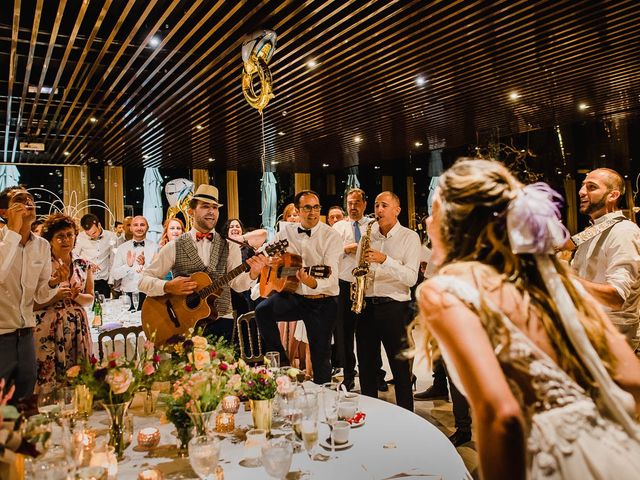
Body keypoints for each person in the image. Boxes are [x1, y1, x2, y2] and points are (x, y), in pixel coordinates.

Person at [417, 158, 640, 479]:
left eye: (434, 211)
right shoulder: (549, 279)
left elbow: (501, 415)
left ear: (456, 223)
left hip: (548, 461)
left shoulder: (446, 290)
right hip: (618, 455)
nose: (427, 221)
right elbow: (632, 380)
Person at [139, 185, 266, 343]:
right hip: (182, 325)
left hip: (222, 321)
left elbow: (237, 285)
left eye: (215, 207)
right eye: (205, 206)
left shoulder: (230, 246)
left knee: (222, 368)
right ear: (191, 211)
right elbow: (143, 281)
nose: (211, 211)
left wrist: (253, 273)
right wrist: (167, 286)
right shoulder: (174, 246)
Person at [255, 190, 342, 384]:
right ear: (297, 210)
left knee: (320, 358)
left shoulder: (331, 237)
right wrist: (270, 261)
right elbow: (264, 250)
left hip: (323, 301)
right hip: (295, 296)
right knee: (262, 311)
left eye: (316, 207)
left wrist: (308, 279)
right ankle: (284, 364)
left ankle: (324, 397)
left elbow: (331, 278)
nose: (312, 212)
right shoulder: (286, 232)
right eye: (307, 208)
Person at [354, 191, 420, 411]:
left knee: (400, 368)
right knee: (366, 366)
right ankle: (369, 413)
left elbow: (411, 278)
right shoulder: (367, 236)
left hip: (395, 308)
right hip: (367, 306)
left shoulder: (409, 237)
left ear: (397, 210)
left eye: (384, 205)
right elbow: (358, 269)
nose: (378, 210)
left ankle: (407, 417)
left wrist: (385, 260)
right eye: (376, 205)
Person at [0, 187, 59, 401]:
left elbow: (40, 296)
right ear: (4, 212)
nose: (28, 202)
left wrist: (53, 283)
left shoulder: (42, 246)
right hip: (1, 333)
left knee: (25, 397)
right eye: (19, 199)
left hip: (26, 334)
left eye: (30, 198)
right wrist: (13, 233)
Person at [571, 168, 640, 347]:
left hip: (613, 333)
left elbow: (616, 297)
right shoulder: (590, 232)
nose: (581, 192)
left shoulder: (624, 231)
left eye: (591, 187)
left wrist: (564, 277)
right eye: (582, 186)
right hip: (588, 324)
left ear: (613, 195)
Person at [333, 188, 388, 392]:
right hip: (344, 284)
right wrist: (347, 248)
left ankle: (377, 374)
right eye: (349, 203)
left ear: (365, 204)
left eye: (357, 203)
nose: (353, 207)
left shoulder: (373, 226)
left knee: (370, 334)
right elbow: (330, 252)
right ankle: (348, 376)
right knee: (344, 333)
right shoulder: (338, 227)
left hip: (366, 285)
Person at [34, 214, 94, 393]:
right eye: (60, 236)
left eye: (69, 234)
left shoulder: (83, 264)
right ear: (50, 239)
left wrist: (76, 296)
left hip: (77, 326)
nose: (66, 240)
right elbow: (32, 303)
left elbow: (90, 298)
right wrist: (56, 295)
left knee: (77, 379)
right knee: (49, 380)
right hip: (48, 327)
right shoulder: (41, 265)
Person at [111, 215, 157, 311]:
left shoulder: (155, 247)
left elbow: (157, 274)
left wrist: (145, 265)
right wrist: (128, 266)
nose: (139, 228)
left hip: (149, 296)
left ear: (147, 228)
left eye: (142, 225)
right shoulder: (122, 248)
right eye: (135, 225)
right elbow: (115, 275)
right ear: (131, 228)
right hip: (128, 296)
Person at [223, 218, 267, 316]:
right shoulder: (223, 247)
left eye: (237, 226)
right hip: (229, 290)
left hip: (248, 287)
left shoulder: (247, 244)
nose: (234, 228)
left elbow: (264, 234)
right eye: (231, 227)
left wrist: (241, 238)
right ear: (227, 231)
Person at [73, 213, 118, 299]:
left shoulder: (111, 237)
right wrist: (85, 264)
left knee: (104, 309)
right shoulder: (80, 237)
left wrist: (111, 281)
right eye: (88, 234)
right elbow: (74, 256)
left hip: (104, 282)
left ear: (99, 225)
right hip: (85, 282)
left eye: (94, 233)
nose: (91, 236)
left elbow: (113, 259)